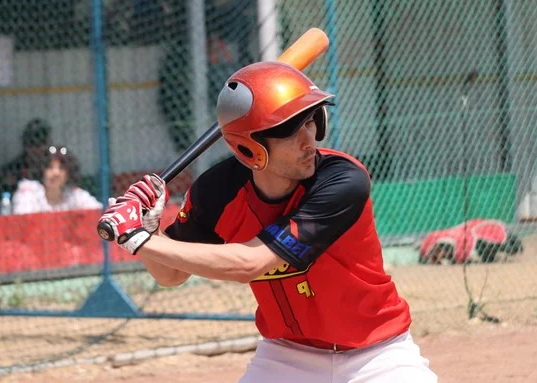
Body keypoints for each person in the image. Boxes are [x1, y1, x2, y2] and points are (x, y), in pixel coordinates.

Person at [99, 62, 437, 382]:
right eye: (292, 131)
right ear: (250, 149)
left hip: (376, 354)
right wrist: (149, 230)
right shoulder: (217, 192)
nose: (310, 140)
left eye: (312, 121)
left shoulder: (341, 180)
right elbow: (169, 275)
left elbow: (252, 262)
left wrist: (140, 238)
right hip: (288, 357)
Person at [0, 118, 54, 213]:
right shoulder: (15, 168)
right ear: (27, 146)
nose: (39, 150)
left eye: (43, 144)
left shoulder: (54, 166)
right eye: (34, 144)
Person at [11, 146, 102, 214]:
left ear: (68, 174)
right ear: (42, 171)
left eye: (61, 168)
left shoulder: (76, 195)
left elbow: (100, 214)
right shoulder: (30, 193)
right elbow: (22, 221)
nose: (55, 173)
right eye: (50, 167)